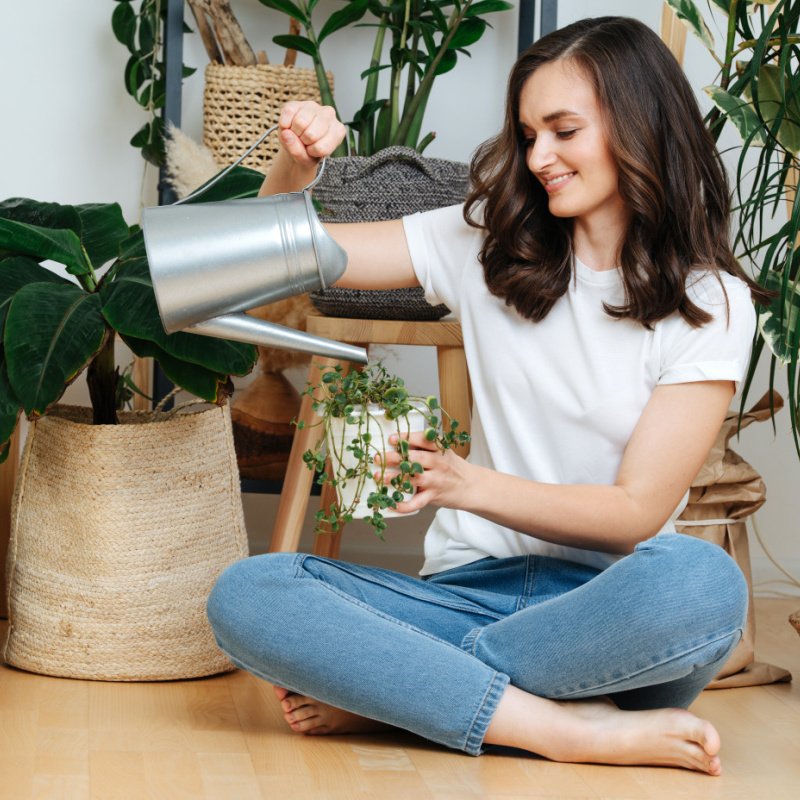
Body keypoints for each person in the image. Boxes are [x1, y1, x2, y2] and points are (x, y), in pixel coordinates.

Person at [207, 16, 768, 775]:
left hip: (608, 616)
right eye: (529, 133)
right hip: (465, 593)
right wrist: (294, 169)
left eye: (564, 130)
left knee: (704, 585)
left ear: (640, 126)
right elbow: (259, 262)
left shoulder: (712, 301)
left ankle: (409, 689)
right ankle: (562, 728)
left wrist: (464, 483)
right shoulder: (480, 242)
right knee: (251, 592)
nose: (539, 157)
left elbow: (636, 513)